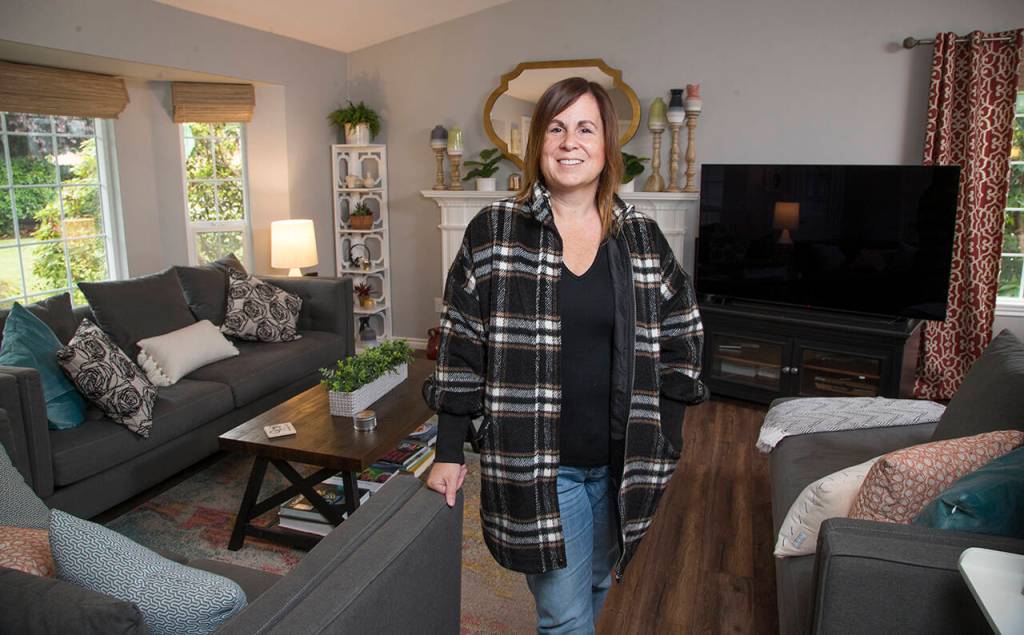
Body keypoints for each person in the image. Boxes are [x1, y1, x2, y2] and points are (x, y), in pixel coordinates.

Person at [423, 77, 707, 634]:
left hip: (625, 461)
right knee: (564, 614)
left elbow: (684, 331)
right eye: (556, 128)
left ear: (606, 147)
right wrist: (449, 449)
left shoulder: (642, 237)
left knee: (600, 581)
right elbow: (460, 345)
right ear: (538, 142)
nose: (569, 141)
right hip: (538, 464)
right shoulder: (495, 233)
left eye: (585, 128)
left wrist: (668, 432)